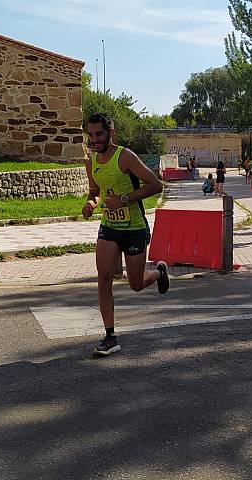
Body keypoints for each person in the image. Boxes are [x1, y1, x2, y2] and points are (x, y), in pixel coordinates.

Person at [83, 113, 170, 357]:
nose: (94, 140)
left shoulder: (125, 156)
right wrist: (91, 204)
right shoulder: (91, 160)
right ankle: (110, 337)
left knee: (136, 284)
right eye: (90, 135)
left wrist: (123, 200)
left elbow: (155, 185)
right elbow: (95, 191)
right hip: (109, 227)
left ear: (110, 132)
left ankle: (159, 272)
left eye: (99, 134)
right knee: (103, 278)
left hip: (133, 228)